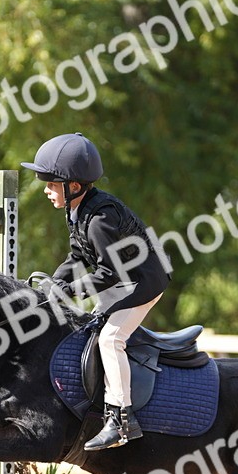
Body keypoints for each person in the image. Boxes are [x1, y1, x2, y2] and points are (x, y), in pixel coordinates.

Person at [23, 132, 171, 450]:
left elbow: (109, 272)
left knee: (110, 338)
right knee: (88, 330)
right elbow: (76, 257)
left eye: (51, 184)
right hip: (121, 280)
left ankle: (121, 421)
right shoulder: (77, 211)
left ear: (73, 186)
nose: (46, 191)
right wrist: (52, 283)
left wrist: (70, 290)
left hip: (142, 282)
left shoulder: (99, 220)